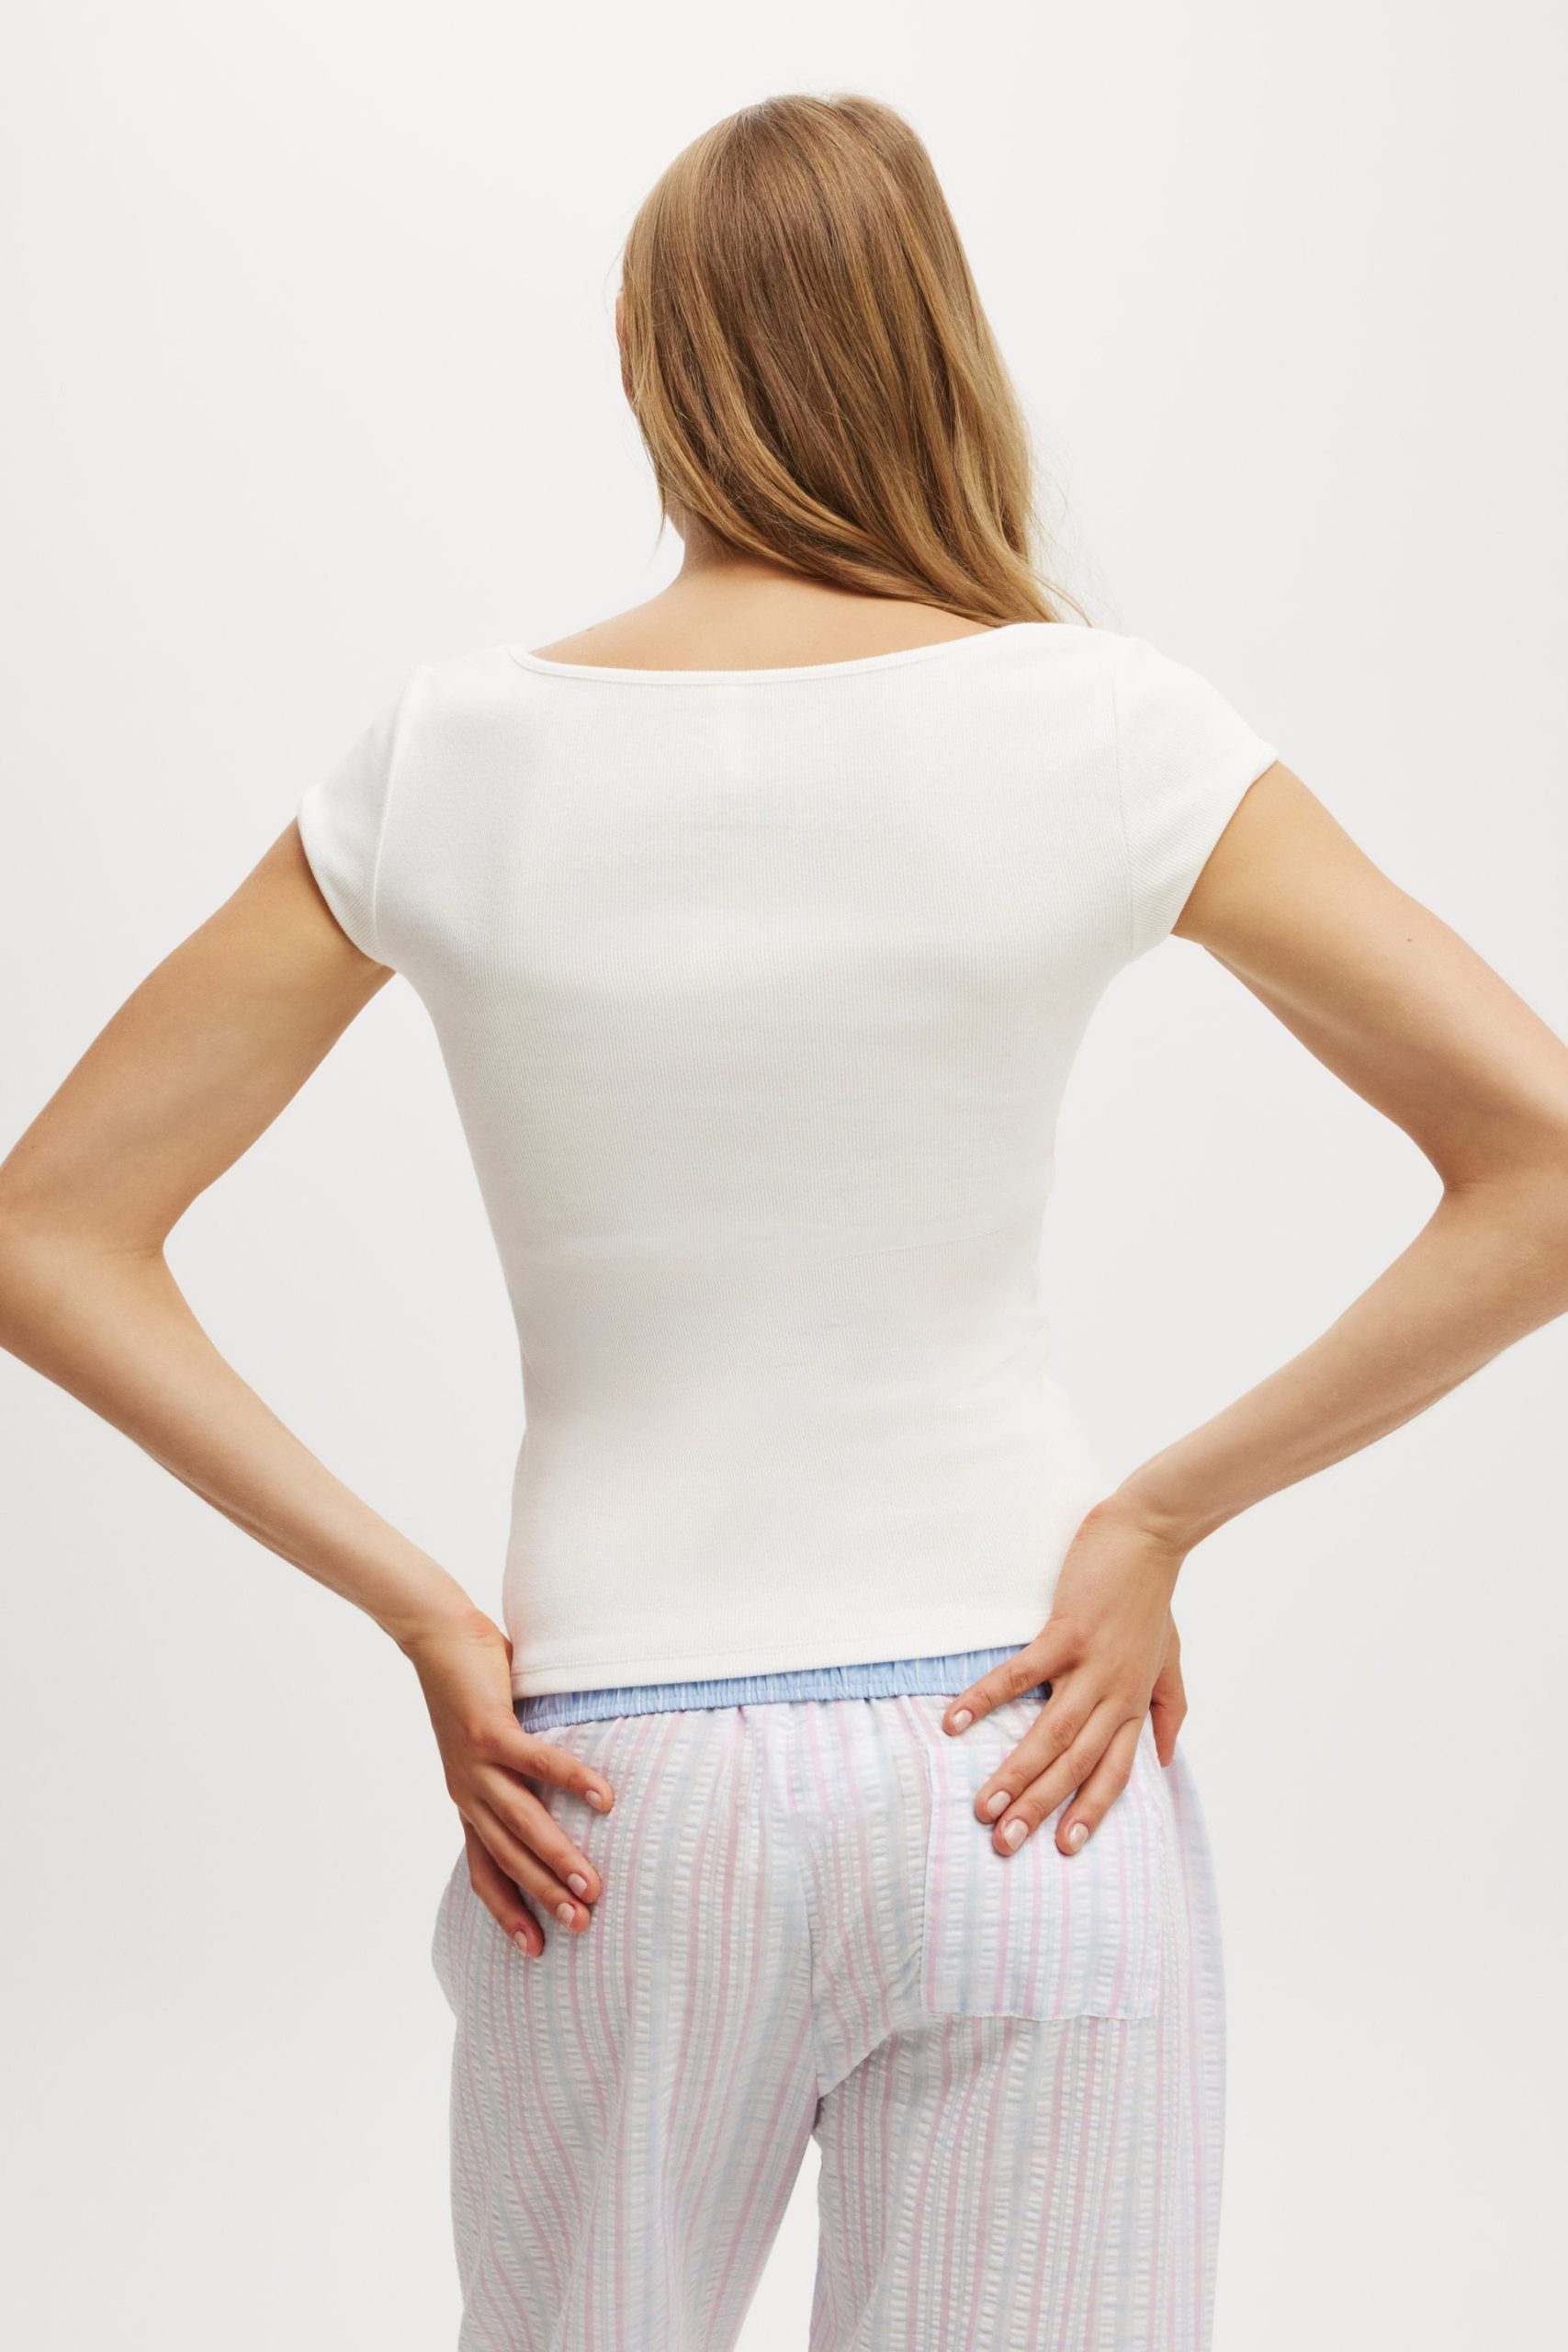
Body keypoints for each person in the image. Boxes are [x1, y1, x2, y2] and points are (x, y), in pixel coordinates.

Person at [2, 88, 1566, 2352]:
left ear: (645, 356)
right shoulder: (1106, 728)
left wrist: (427, 1610)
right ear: (941, 341)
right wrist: (1154, 1516)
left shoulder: (449, 753)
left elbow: (47, 1229)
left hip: (607, 1796)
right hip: (1027, 1744)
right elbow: (1539, 1155)